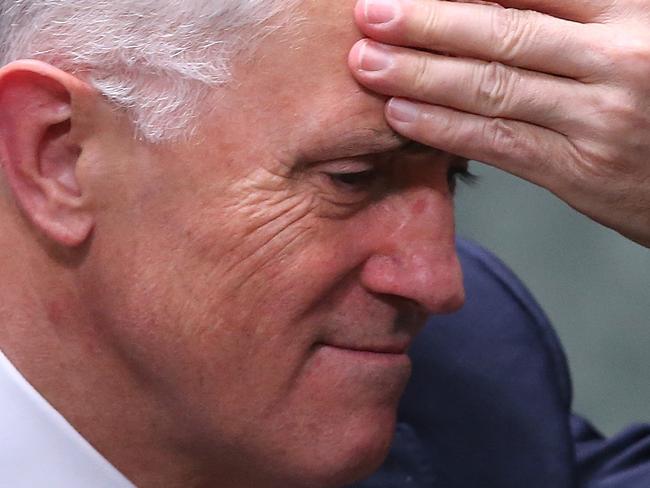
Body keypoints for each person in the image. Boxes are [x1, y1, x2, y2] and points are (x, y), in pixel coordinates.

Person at [0, 1, 647, 488]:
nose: (438, 284)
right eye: (352, 179)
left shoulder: (467, 374)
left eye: (457, 176)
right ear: (60, 156)